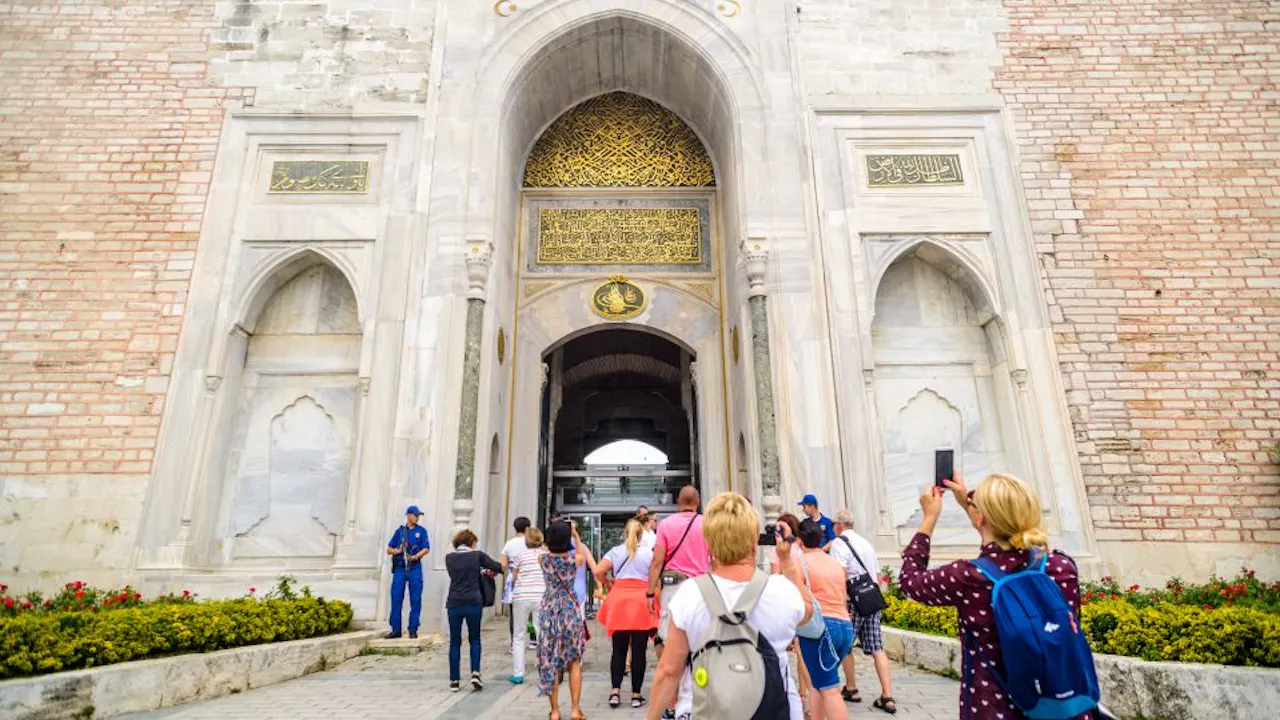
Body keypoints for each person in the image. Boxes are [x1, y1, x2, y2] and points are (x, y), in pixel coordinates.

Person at [900, 472, 1083, 720]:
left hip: (995, 708)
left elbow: (911, 582)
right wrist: (973, 509)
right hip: (1064, 706)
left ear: (980, 518)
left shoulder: (968, 577)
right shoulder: (1062, 568)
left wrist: (929, 519)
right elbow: (1009, 550)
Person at [646, 492, 812, 720]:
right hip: (774, 709)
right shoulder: (780, 590)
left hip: (704, 709)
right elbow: (808, 611)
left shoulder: (690, 594)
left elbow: (669, 671)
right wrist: (787, 563)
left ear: (709, 542)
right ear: (754, 541)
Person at [646, 486, 710, 719]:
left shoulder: (665, 525)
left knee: (667, 638)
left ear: (677, 502)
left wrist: (650, 593)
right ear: (698, 502)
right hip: (702, 587)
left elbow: (657, 561)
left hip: (674, 588)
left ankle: (672, 700)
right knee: (701, 639)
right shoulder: (707, 524)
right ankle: (699, 691)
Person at [829, 508, 893, 708]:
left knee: (846, 645)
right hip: (872, 601)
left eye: (834, 525)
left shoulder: (839, 544)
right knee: (877, 647)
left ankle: (851, 687)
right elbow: (877, 574)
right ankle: (887, 695)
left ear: (839, 525)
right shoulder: (866, 543)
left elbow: (840, 576)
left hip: (853, 602)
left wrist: (840, 605)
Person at [596, 518, 659, 709]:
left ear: (625, 533)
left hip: (619, 601)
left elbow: (599, 570)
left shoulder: (615, 551)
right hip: (641, 602)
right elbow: (655, 577)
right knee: (639, 651)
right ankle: (636, 695)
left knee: (618, 650)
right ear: (642, 534)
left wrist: (608, 584)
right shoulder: (649, 553)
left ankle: (615, 692)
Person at [796, 519, 852, 720]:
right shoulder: (834, 563)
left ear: (800, 541)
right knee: (819, 683)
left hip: (821, 628)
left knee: (830, 690)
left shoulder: (801, 562)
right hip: (845, 625)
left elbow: (796, 596)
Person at [539, 520, 588, 720]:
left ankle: (555, 711)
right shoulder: (573, 560)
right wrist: (575, 535)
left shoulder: (542, 559)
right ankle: (575, 709)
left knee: (551, 661)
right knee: (574, 661)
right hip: (570, 610)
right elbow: (582, 554)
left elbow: (544, 548)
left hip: (550, 610)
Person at [444, 529, 502, 692]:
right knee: (474, 638)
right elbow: (497, 567)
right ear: (471, 542)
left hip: (454, 602)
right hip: (473, 601)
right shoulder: (477, 555)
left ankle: (454, 680)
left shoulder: (449, 558)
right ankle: (475, 672)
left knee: (455, 641)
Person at [768, 513, 813, 716]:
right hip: (799, 596)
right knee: (801, 649)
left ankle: (810, 695)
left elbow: (775, 576)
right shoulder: (798, 549)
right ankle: (806, 694)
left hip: (786, 600)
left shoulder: (777, 551)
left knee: (799, 651)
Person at [385, 505, 431, 639]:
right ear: (408, 515)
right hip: (400, 567)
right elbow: (389, 548)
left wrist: (416, 556)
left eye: (418, 516)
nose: (417, 518)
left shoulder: (421, 531)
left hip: (414, 567)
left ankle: (413, 629)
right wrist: (398, 551)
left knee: (415, 598)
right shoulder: (399, 532)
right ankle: (395, 629)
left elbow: (426, 548)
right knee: (396, 597)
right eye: (415, 515)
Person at [510, 526, 547, 685]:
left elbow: (514, 577)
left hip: (522, 597)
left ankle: (518, 674)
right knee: (542, 634)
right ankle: (544, 670)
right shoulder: (546, 556)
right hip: (541, 596)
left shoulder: (520, 555)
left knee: (519, 635)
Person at [501, 516, 533, 652]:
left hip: (513, 579)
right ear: (527, 528)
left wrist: (508, 573)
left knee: (514, 614)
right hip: (530, 577)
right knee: (532, 610)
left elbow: (503, 563)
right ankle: (533, 640)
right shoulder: (530, 542)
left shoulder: (509, 544)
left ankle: (514, 643)